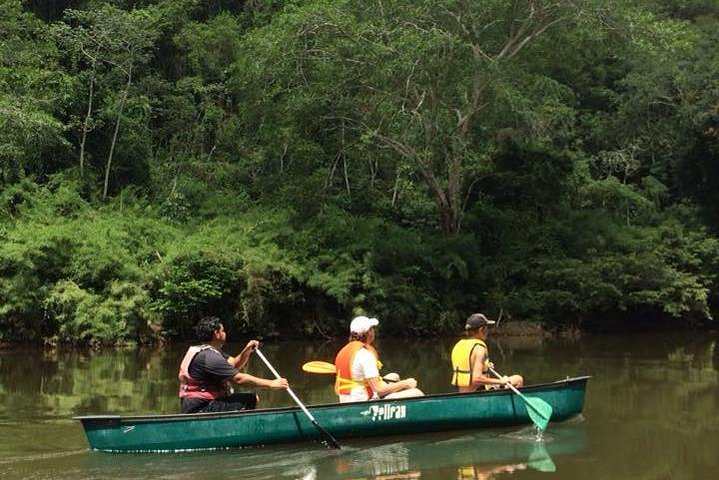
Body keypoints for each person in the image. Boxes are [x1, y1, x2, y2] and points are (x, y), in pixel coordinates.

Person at [178, 316, 288, 414]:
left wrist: (247, 350)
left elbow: (234, 364)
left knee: (244, 398)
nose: (225, 333)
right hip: (201, 408)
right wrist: (271, 383)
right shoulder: (209, 357)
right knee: (252, 399)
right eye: (223, 330)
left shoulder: (208, 351)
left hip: (197, 405)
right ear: (217, 334)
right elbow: (239, 379)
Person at [334, 315, 424, 403]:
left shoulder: (345, 351)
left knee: (394, 376)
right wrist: (405, 384)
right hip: (362, 401)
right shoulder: (365, 355)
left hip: (347, 398)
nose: (374, 331)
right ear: (368, 333)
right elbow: (378, 390)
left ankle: (399, 401)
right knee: (417, 393)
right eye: (372, 329)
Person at [450, 313, 523, 393]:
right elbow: (477, 378)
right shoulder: (479, 348)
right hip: (478, 393)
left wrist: (485, 366)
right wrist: (501, 381)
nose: (487, 331)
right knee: (518, 379)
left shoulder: (459, 345)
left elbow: (468, 365)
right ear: (481, 330)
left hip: (462, 393)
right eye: (487, 328)